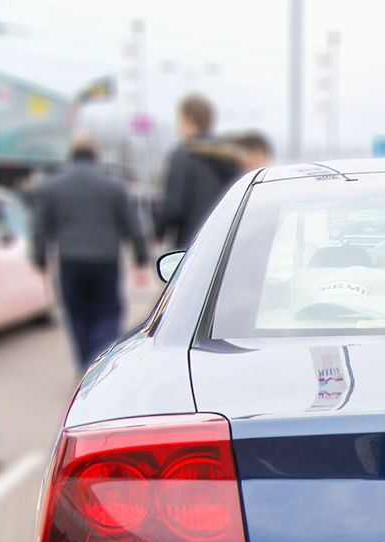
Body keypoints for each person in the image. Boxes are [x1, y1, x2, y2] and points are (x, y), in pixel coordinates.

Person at [31, 134, 150, 370]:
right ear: (95, 156)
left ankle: (86, 363)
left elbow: (41, 227)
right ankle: (101, 365)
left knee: (77, 316)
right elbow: (131, 224)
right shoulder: (113, 186)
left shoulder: (52, 186)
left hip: (70, 261)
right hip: (105, 261)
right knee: (107, 314)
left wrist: (40, 258)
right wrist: (141, 257)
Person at [155, 94, 242, 249]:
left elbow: (173, 208)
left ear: (188, 118)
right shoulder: (231, 157)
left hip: (192, 243)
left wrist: (159, 233)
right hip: (225, 244)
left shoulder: (183, 155)